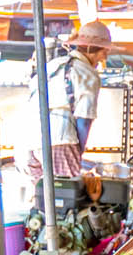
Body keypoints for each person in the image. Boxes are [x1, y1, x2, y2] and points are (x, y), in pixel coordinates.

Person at [33, 20, 113, 177]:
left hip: (28, 139)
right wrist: (78, 152)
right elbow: (84, 120)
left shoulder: (53, 64)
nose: (105, 56)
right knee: (64, 196)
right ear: (99, 50)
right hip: (59, 141)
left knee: (39, 197)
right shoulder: (88, 74)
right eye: (105, 51)